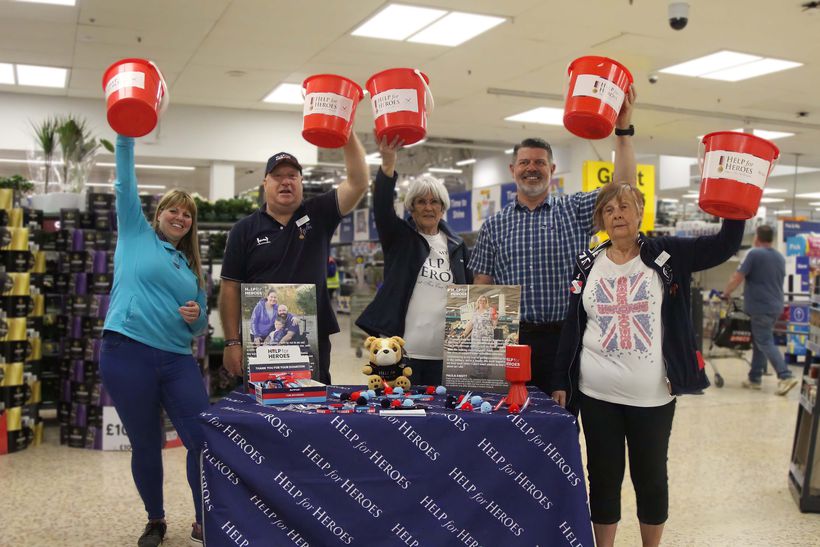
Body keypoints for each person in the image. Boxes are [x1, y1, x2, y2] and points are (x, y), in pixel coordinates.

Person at [550, 183, 745, 547]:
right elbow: (572, 326)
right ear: (601, 219)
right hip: (596, 394)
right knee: (603, 478)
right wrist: (561, 378)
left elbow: (724, 246)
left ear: (641, 212)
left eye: (625, 206)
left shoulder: (666, 255)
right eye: (609, 210)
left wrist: (735, 205)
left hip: (653, 396)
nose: (618, 214)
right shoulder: (588, 263)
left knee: (651, 478)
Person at [468, 86, 637, 394]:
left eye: (539, 163)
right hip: (512, 341)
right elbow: (482, 287)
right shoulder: (493, 225)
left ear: (552, 169)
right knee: (512, 422)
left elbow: (623, 186)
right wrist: (478, 355)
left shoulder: (574, 210)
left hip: (569, 339)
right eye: (524, 163)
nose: (532, 168)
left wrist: (623, 129)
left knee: (564, 421)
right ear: (513, 170)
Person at [99, 135, 209, 546]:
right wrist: (125, 136)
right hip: (126, 353)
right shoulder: (134, 234)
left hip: (177, 360)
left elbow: (197, 329)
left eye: (187, 214)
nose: (180, 218)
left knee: (201, 439)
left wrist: (196, 318)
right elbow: (125, 184)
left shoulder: (191, 268)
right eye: (174, 210)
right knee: (146, 442)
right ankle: (156, 520)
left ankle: (204, 519)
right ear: (159, 214)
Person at [220, 134, 368, 384]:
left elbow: (359, 182)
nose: (285, 182)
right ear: (265, 183)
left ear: (301, 182)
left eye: (292, 176)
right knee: (263, 409)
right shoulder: (244, 230)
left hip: (311, 340)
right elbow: (230, 287)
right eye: (278, 176)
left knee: (312, 410)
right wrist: (232, 342)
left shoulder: (319, 214)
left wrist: (346, 131)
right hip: (262, 343)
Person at [356, 136, 471, 386]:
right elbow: (382, 208)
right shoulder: (400, 239)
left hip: (447, 356)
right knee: (403, 416)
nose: (428, 208)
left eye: (434, 202)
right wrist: (388, 163)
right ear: (411, 208)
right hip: (402, 353)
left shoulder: (458, 247)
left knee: (442, 419)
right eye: (421, 202)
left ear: (443, 208)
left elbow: (471, 294)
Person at [723, 224, 798, 395]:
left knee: (764, 341)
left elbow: (737, 277)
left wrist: (726, 293)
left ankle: (785, 375)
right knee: (760, 341)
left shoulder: (754, 253)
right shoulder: (779, 256)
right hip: (776, 305)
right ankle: (754, 378)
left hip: (760, 306)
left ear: (757, 237)